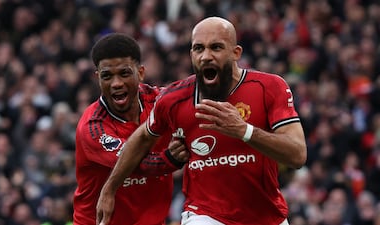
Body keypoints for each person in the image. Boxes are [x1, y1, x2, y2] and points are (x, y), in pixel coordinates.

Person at [96, 16, 307, 225]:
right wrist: (109, 189)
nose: (206, 56)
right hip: (205, 214)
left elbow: (297, 155)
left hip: (266, 216)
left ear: (236, 53)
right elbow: (142, 137)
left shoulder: (269, 87)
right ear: (191, 55)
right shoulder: (174, 98)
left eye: (215, 47)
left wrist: (244, 131)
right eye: (199, 49)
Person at [73, 33, 188, 225]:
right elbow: (138, 164)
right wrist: (172, 158)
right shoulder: (92, 127)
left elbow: (190, 92)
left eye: (124, 73)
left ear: (141, 72)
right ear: (98, 78)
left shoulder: (160, 102)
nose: (116, 83)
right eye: (107, 76)